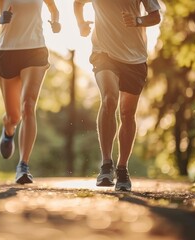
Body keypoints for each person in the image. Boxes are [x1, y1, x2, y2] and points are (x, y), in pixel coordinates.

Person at [74, 0, 161, 191]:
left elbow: (156, 16)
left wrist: (138, 20)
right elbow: (78, 3)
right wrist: (81, 23)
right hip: (104, 53)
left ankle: (122, 169)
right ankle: (106, 164)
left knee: (127, 113)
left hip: (135, 58)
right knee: (109, 99)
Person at [0, 0, 60, 184]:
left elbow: (54, 9)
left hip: (35, 50)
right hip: (8, 52)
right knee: (15, 117)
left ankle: (23, 166)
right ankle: (8, 129)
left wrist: (56, 22)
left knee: (28, 106)